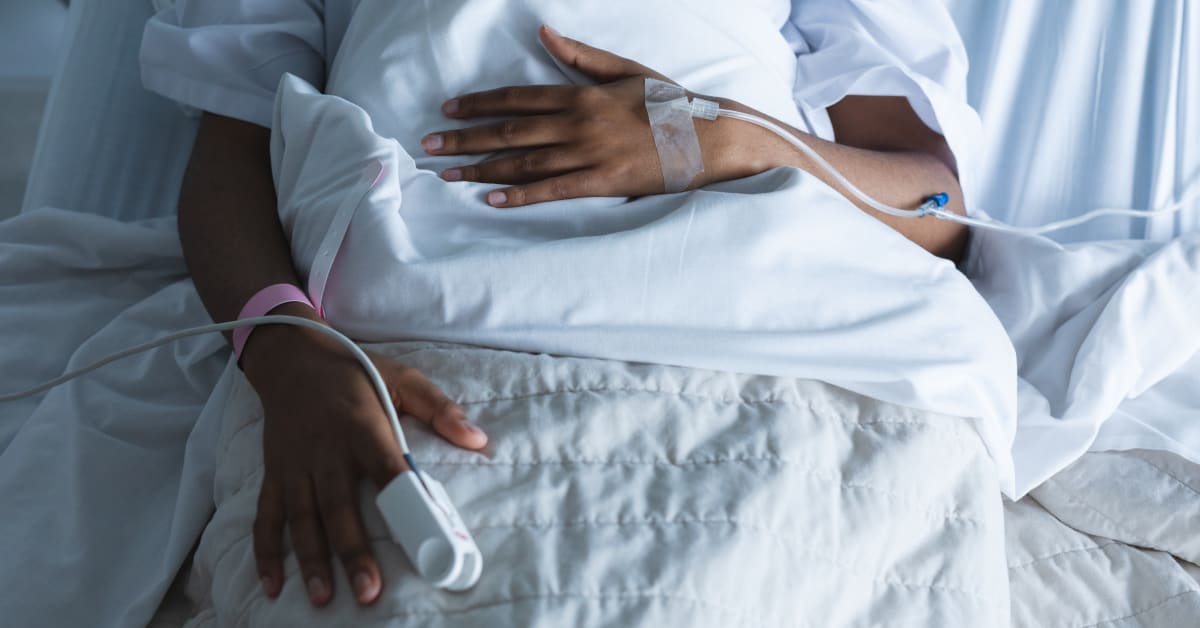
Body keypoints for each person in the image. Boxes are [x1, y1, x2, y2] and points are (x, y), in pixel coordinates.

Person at [141, 0, 981, 609]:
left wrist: (714, 139)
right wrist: (284, 352)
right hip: (418, 325)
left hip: (770, 308)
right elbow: (231, 154)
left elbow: (935, 211)